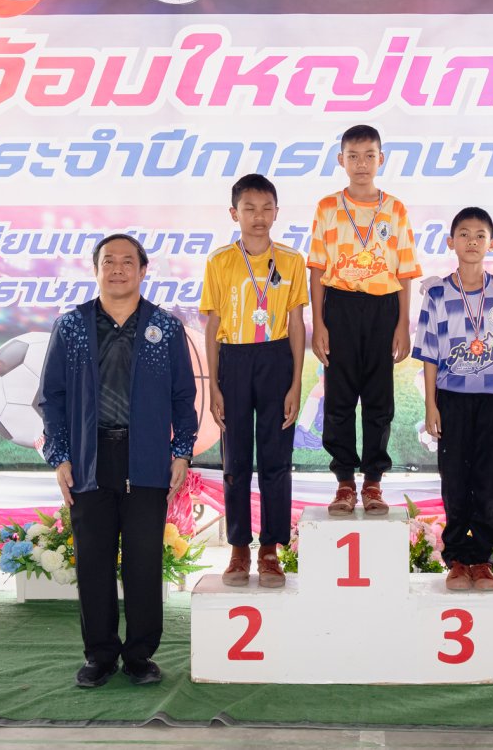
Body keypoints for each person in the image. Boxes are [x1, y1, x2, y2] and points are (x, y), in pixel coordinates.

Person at [38, 233, 198, 689]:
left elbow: (183, 396)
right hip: (89, 459)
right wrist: (60, 457)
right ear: (96, 270)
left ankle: (140, 655)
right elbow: (52, 397)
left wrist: (181, 452)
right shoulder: (71, 326)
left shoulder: (165, 327)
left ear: (143, 270)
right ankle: (100, 655)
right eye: (109, 261)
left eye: (128, 262)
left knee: (144, 561)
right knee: (94, 561)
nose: (118, 269)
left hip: (147, 459)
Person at [307, 124, 422, 516]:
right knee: (338, 398)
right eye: (353, 156)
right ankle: (344, 481)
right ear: (341, 160)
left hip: (382, 308)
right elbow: (316, 269)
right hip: (339, 307)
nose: (361, 164)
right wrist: (319, 324)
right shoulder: (327, 207)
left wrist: (402, 324)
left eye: (369, 156)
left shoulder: (395, 209)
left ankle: (373, 480)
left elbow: (405, 271)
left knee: (378, 398)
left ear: (381, 159)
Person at [413, 207, 493, 592]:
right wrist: (431, 405)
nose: (472, 241)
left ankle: (482, 559)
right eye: (464, 234)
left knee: (488, 479)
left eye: (480, 235)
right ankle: (457, 559)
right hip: (452, 399)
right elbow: (430, 354)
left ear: (492, 243)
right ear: (451, 242)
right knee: (455, 479)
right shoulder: (438, 294)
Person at [201, 174, 307, 588]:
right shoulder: (219, 262)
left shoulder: (292, 261)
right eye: (249, 208)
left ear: (277, 212)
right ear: (235, 213)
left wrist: (295, 383)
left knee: (276, 459)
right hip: (234, 361)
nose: (258, 217)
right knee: (236, 460)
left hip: (276, 360)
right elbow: (212, 327)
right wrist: (215, 385)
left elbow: (297, 324)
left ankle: (270, 549)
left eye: (266, 208)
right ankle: (239, 547)